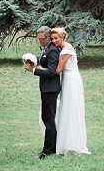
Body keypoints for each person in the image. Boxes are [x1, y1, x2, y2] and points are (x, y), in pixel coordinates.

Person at [51, 27, 90, 155]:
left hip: (71, 81)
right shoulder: (63, 48)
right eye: (52, 39)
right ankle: (66, 141)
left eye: (56, 38)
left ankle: (72, 144)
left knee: (71, 108)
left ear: (62, 37)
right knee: (67, 108)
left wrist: (40, 67)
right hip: (68, 79)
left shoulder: (66, 50)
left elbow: (58, 69)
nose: (54, 41)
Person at [24, 25, 61, 158]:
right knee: (47, 118)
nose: (39, 41)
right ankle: (52, 147)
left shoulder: (52, 50)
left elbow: (51, 71)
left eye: (41, 39)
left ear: (47, 37)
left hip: (51, 89)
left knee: (48, 119)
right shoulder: (46, 49)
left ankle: (48, 150)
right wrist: (34, 62)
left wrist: (33, 70)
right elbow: (44, 63)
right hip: (46, 88)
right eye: (38, 39)